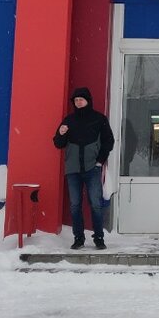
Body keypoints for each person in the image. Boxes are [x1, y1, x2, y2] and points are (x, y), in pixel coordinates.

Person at [53, 86, 114, 249]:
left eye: (81, 99)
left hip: (92, 168)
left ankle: (99, 238)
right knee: (75, 205)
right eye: (76, 100)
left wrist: (100, 161)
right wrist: (61, 133)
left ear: (88, 101)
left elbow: (109, 141)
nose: (78, 102)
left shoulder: (99, 119)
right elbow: (58, 143)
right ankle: (78, 238)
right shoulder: (69, 120)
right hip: (73, 170)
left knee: (96, 204)